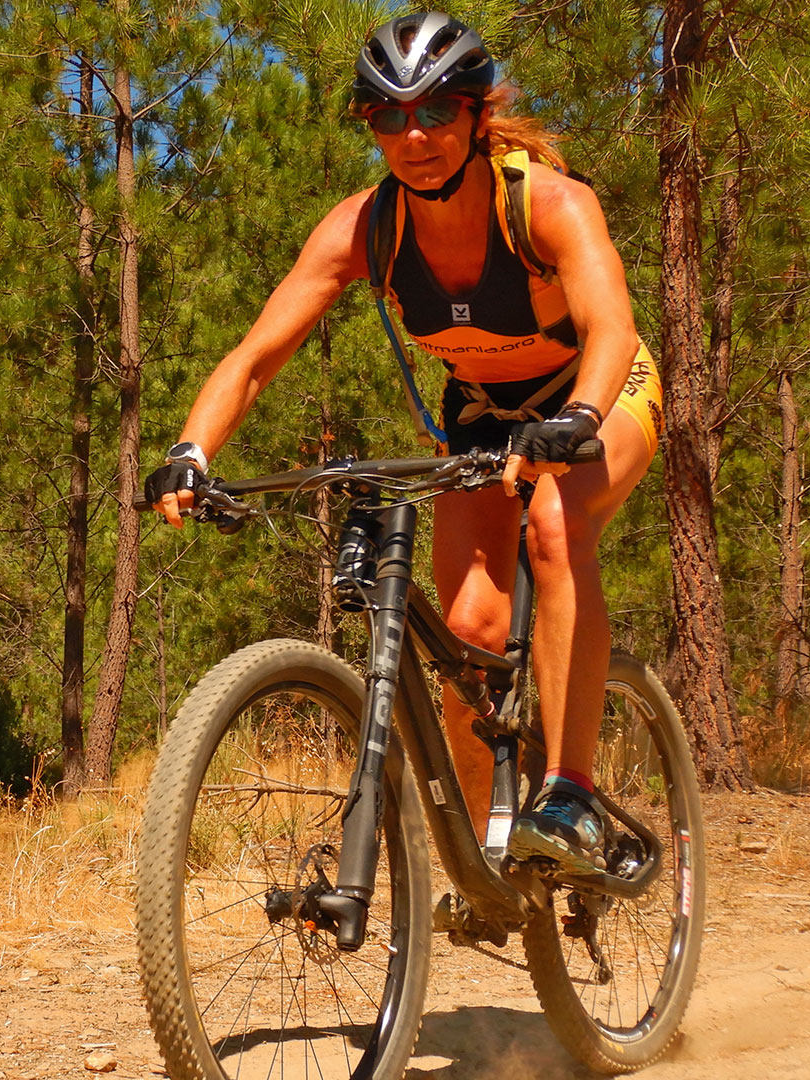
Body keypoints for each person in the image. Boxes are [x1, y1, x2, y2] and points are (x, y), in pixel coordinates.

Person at [144, 11, 663, 876]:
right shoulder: (365, 229)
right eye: (389, 117)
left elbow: (612, 328)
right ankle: (486, 848)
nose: (413, 135)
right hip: (482, 414)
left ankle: (571, 793)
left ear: (477, 116)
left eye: (435, 112)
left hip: (599, 392)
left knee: (554, 528)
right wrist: (191, 451)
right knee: (467, 631)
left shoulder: (546, 203)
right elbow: (257, 355)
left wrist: (574, 421)